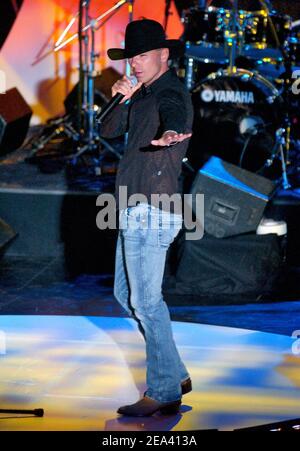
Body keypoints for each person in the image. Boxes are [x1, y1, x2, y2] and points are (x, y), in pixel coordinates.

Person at [100, 19, 194, 417]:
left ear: (163, 55)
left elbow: (174, 112)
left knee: (147, 300)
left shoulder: (170, 90)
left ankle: (163, 390)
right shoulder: (141, 92)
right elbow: (107, 128)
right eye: (131, 57)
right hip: (132, 204)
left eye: (142, 56)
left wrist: (172, 132)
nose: (135, 64)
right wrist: (120, 97)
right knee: (128, 296)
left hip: (153, 207)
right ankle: (175, 373)